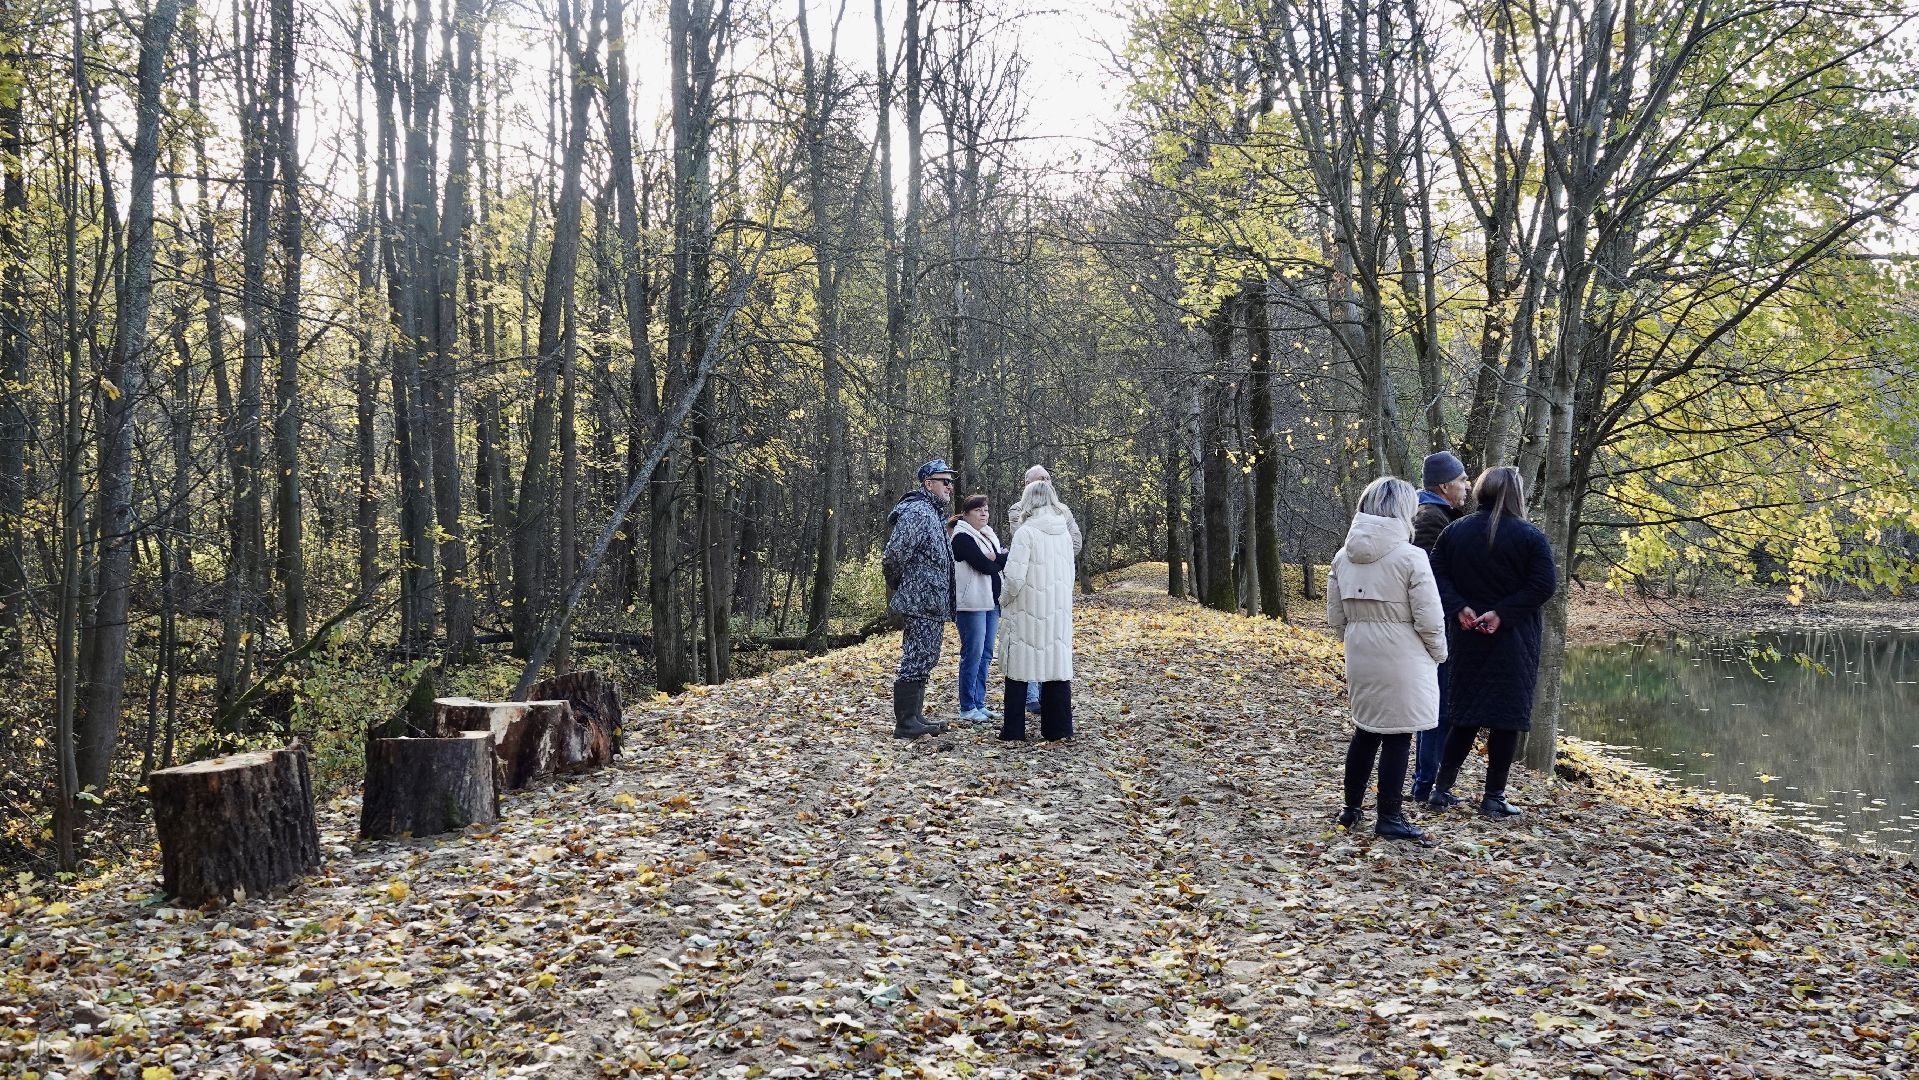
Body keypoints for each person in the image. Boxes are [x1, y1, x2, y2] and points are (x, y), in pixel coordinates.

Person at [1426, 465, 1559, 818]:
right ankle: (1493, 797)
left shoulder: (1455, 531)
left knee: (1464, 716)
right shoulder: (1530, 536)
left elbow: (1434, 574)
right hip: (1513, 640)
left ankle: (1441, 790)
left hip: (1467, 635)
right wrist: (1502, 613)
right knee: (1506, 719)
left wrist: (1459, 608)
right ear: (1516, 494)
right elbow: (1544, 584)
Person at [1325, 476, 1448, 841]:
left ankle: (1350, 808)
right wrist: (1439, 653)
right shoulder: (1412, 557)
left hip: (1361, 651)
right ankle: (1390, 817)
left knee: (1365, 730)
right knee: (1398, 735)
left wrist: (1356, 638)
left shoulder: (1342, 557)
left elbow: (1335, 617)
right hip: (1403, 654)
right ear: (1403, 510)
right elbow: (1429, 617)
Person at [1408, 450, 1471, 803]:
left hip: (1438, 622)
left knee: (1438, 704)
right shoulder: (1432, 518)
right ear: (1445, 485)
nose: (1466, 485)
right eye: (1462, 479)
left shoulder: (1436, 513)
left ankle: (1426, 782)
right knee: (1439, 706)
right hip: (1439, 624)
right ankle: (1427, 785)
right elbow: (1431, 579)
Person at [882, 459, 958, 739]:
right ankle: (905, 723)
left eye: (951, 481)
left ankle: (914, 716)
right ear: (928, 484)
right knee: (916, 656)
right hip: (920, 600)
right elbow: (893, 556)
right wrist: (902, 585)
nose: (950, 486)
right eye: (944, 481)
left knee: (926, 655)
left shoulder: (933, 513)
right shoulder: (917, 512)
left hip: (932, 601)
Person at [998, 479, 1076, 742]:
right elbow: (1070, 573)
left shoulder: (1025, 532)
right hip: (1057, 609)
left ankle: (1014, 731)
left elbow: (1014, 578)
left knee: (1018, 671)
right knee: (1056, 667)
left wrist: (1003, 598)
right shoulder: (1063, 533)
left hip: (1026, 611)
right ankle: (1059, 729)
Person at [950, 494, 1007, 723]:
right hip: (971, 604)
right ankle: (967, 706)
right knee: (972, 654)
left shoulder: (986, 535)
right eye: (978, 510)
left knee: (985, 655)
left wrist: (998, 557)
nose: (984, 513)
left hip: (991, 603)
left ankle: (979, 703)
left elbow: (999, 560)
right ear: (966, 514)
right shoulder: (962, 537)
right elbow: (984, 566)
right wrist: (999, 557)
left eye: (985, 509)